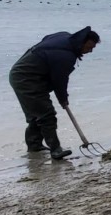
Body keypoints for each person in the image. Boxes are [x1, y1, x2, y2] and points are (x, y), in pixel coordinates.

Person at [9, 26, 100, 160]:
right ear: (82, 42)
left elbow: (46, 39)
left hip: (21, 74)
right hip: (27, 79)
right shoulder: (65, 56)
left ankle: (34, 146)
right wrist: (63, 99)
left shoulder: (65, 36)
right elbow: (60, 81)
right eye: (89, 47)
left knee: (37, 114)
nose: (90, 51)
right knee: (47, 115)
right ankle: (55, 150)